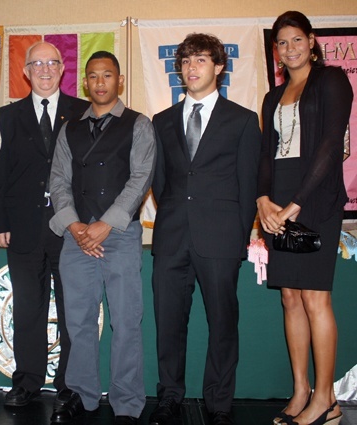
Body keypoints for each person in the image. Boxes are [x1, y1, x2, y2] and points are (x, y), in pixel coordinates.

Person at [150, 33, 261, 425]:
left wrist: (240, 235)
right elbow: (161, 183)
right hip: (171, 238)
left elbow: (249, 185)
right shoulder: (161, 122)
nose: (191, 67)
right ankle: (169, 397)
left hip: (221, 239)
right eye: (185, 61)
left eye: (200, 60)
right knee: (168, 323)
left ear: (218, 67)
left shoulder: (243, 121)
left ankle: (218, 403)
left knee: (222, 323)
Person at [48, 51, 156, 425]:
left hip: (120, 235)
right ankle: (82, 394)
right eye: (92, 76)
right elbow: (58, 181)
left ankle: (126, 402)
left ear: (119, 81)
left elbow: (141, 178)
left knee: (125, 321)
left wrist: (105, 224)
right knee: (77, 321)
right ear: (85, 83)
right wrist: (75, 227)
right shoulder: (70, 129)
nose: (99, 82)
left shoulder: (138, 124)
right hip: (76, 237)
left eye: (106, 75)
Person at [257, 11, 352, 425]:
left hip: (316, 197)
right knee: (289, 296)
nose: (290, 48)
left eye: (297, 39)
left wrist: (295, 204)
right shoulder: (272, 97)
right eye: (282, 42)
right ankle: (301, 391)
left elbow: (332, 145)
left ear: (312, 41)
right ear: (275, 50)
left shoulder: (332, 81)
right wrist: (263, 200)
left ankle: (326, 399)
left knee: (315, 298)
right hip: (278, 198)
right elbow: (266, 153)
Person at [0, 41, 89, 408]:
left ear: (63, 69)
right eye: (37, 63)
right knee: (27, 310)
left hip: (71, 230)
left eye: (52, 62)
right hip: (23, 228)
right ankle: (27, 383)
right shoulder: (5, 117)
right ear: (26, 71)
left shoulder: (84, 112)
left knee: (71, 311)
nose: (45, 69)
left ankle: (70, 385)